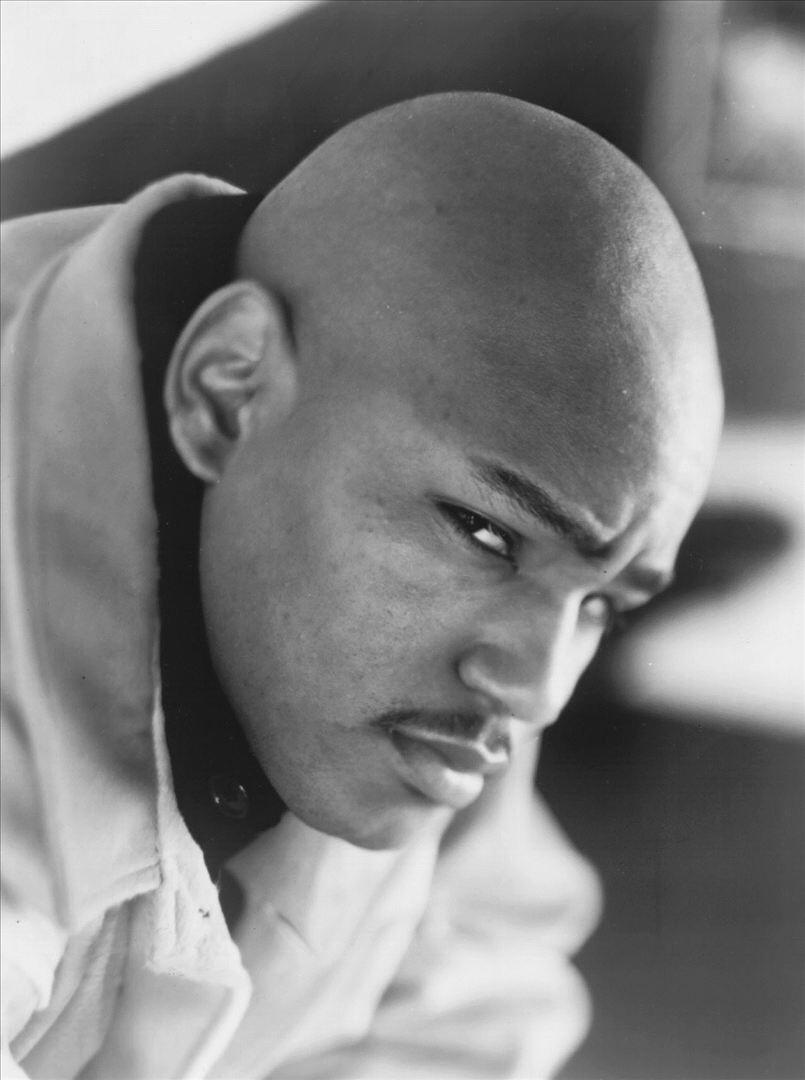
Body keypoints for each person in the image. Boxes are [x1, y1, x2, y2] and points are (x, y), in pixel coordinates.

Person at [0, 93, 722, 1079]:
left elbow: (484, 987)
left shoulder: (451, 597)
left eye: (604, 601)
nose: (537, 690)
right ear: (226, 390)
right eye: (486, 533)